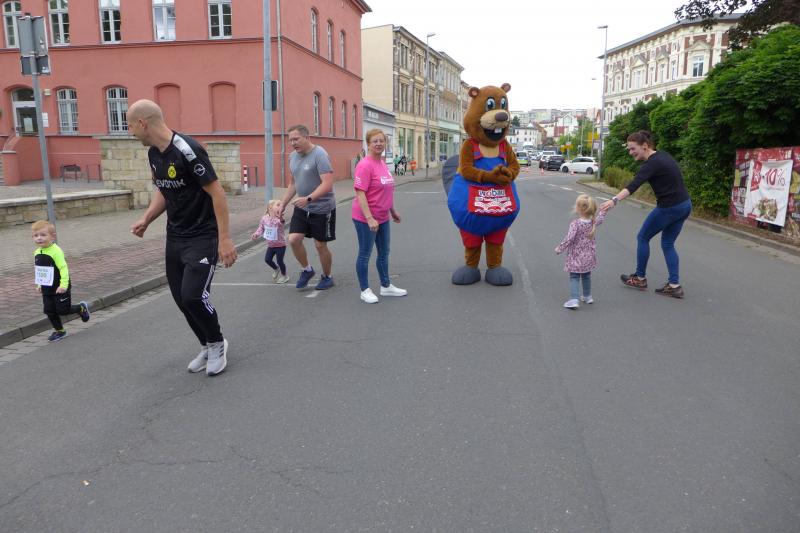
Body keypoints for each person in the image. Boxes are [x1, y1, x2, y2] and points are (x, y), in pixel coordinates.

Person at [128, 99, 237, 376]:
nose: (130, 132)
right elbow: (164, 189)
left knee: (193, 296)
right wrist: (146, 219)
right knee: (181, 299)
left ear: (142, 123)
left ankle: (218, 343)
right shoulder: (154, 153)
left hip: (202, 236)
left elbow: (217, 194)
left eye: (130, 126)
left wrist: (225, 239)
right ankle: (206, 345)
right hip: (175, 237)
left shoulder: (188, 150)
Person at [600, 130, 692, 298]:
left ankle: (640, 278)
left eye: (632, 148)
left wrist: (614, 200)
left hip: (669, 207)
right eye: (629, 149)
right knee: (668, 243)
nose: (630, 152)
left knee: (643, 237)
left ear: (644, 146)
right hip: (684, 205)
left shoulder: (652, 164)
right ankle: (674, 286)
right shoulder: (663, 155)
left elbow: (634, 185)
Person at [352, 128, 407, 303]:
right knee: (365, 254)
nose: (378, 144)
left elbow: (387, 191)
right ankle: (365, 290)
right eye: (375, 141)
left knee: (384, 252)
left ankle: (386, 286)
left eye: (381, 141)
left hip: (383, 217)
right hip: (365, 218)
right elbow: (360, 193)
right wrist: (369, 218)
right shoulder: (364, 165)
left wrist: (393, 211)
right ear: (368, 144)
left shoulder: (382, 163)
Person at [279, 124, 336, 290]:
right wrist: (283, 203)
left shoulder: (320, 154)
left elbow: (327, 184)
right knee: (293, 239)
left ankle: (327, 276)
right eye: (290, 140)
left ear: (307, 137)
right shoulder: (292, 157)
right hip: (302, 206)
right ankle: (307, 270)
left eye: (296, 139)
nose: (293, 143)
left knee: (320, 245)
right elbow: (293, 183)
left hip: (323, 208)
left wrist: (309, 199)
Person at [32, 220, 91, 341]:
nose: (39, 238)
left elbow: (63, 268)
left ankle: (81, 308)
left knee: (63, 310)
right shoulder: (37, 252)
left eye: (43, 235)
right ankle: (60, 331)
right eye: (36, 235)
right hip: (46, 288)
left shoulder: (56, 251)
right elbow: (40, 270)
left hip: (60, 287)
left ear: (52, 237)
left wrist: (63, 285)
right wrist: (39, 284)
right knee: (49, 311)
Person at [554, 194, 606, 309]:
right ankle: (587, 296)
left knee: (574, 277)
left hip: (575, 256)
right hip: (589, 256)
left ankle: (574, 299)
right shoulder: (593, 222)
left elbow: (569, 238)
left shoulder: (576, 224)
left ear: (578, 208)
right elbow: (601, 218)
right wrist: (604, 210)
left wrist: (560, 248)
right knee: (586, 276)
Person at [251, 199, 290, 283]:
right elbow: (261, 228)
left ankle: (285, 276)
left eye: (281, 205)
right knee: (267, 260)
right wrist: (256, 234)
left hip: (280, 245)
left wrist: (280, 217)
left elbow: (281, 223)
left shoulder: (278, 219)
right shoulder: (264, 218)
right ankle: (276, 269)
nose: (280, 206)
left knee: (280, 261)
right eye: (278, 205)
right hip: (271, 245)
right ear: (270, 207)